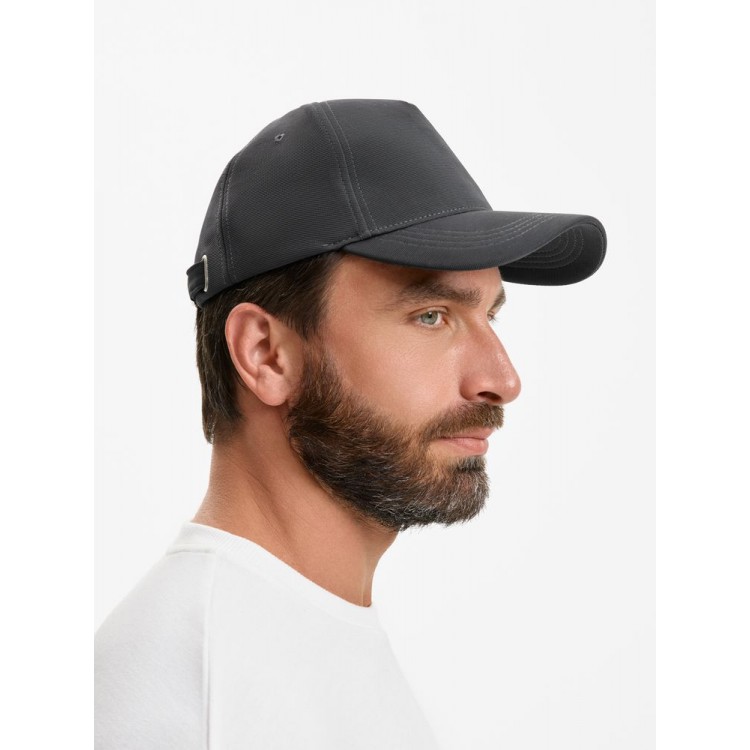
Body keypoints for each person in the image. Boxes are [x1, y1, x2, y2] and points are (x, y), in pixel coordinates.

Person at [95, 98, 607, 749]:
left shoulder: (299, 631)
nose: (502, 380)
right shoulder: (186, 687)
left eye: (489, 316)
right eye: (432, 316)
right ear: (265, 354)